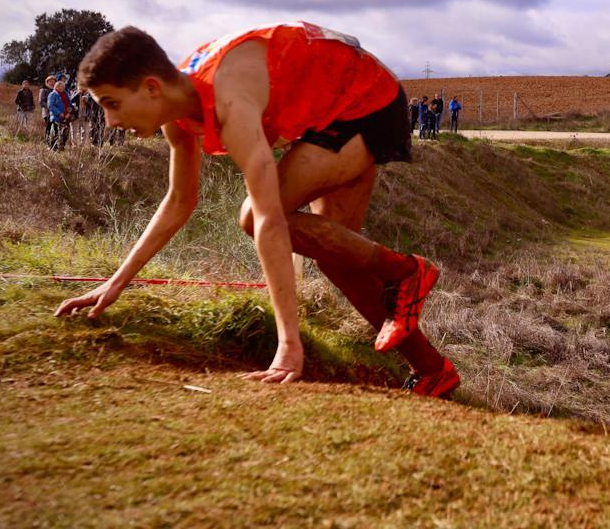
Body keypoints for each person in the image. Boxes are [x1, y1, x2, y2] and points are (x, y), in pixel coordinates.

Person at [53, 23, 459, 398]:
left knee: (253, 215)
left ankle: (406, 272)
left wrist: (288, 345)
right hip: (334, 105)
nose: (110, 120)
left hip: (365, 102)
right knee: (337, 255)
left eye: (112, 103)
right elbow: (180, 200)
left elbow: (268, 219)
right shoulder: (177, 113)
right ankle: (431, 370)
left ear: (151, 87)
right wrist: (115, 283)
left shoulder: (229, 99)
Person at [46, 80, 70, 151]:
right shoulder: (53, 94)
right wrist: (59, 113)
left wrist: (70, 109)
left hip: (66, 116)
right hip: (56, 117)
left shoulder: (65, 94)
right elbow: (50, 106)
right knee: (55, 133)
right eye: (60, 86)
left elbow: (69, 103)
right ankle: (53, 147)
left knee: (65, 133)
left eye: (63, 86)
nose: (62, 88)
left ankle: (61, 146)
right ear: (56, 87)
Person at [39, 76, 56, 142]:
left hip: (56, 112)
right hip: (47, 112)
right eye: (50, 81)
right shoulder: (43, 90)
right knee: (48, 126)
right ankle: (47, 140)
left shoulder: (56, 90)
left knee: (55, 127)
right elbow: (41, 102)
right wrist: (50, 106)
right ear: (47, 82)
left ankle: (54, 141)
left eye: (53, 81)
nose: (52, 83)